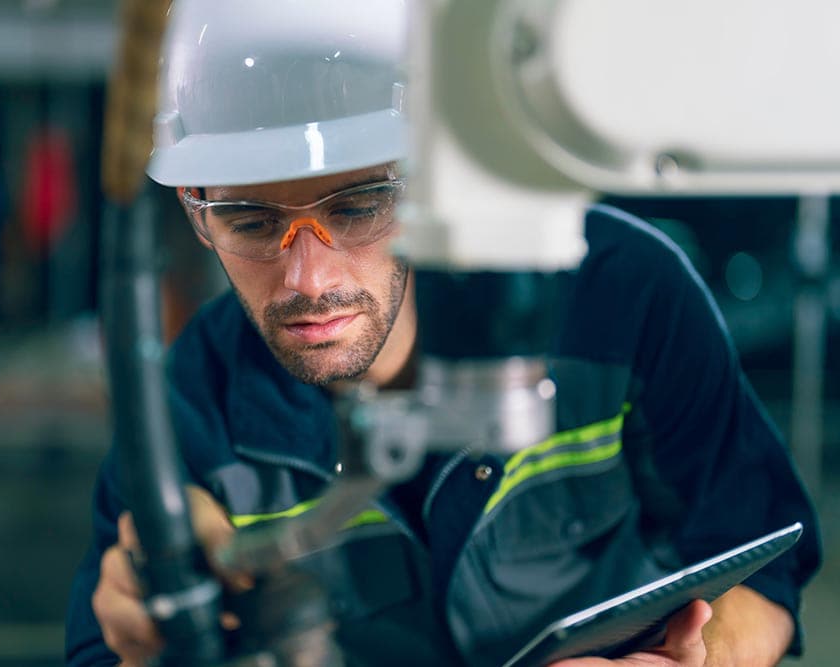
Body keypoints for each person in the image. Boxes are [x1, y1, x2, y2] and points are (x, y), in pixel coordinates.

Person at [65, 1, 821, 665]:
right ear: (197, 209)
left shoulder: (623, 292)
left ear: (432, 177)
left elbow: (765, 569)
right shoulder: (187, 408)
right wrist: (155, 632)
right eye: (250, 221)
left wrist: (694, 658)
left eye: (357, 206)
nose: (307, 279)